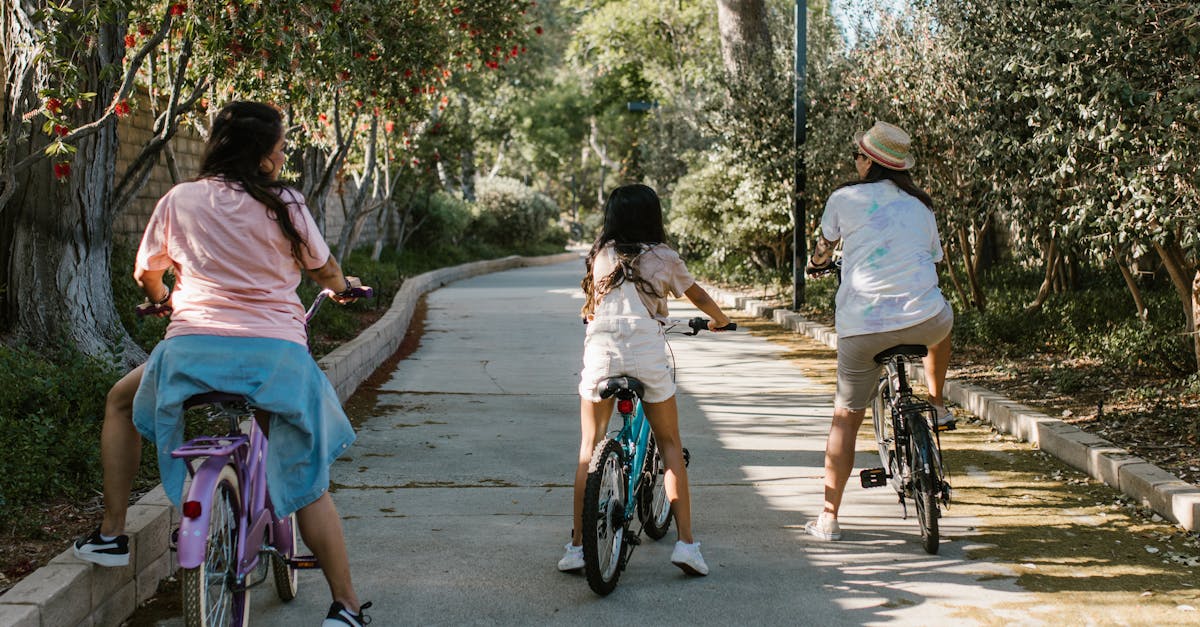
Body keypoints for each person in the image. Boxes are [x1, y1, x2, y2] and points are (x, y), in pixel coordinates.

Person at [72, 101, 371, 627]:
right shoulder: (285, 204)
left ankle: (112, 533)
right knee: (307, 480)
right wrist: (343, 289)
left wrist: (165, 296)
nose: (284, 154)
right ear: (262, 157)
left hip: (191, 354)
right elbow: (325, 270)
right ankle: (345, 607)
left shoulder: (179, 199)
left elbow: (148, 273)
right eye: (280, 146)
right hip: (274, 358)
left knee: (119, 403)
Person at [558, 183, 733, 576]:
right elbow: (699, 299)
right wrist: (720, 321)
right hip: (647, 354)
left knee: (589, 448)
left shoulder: (601, 256)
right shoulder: (664, 257)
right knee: (670, 443)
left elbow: (592, 308)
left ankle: (576, 547)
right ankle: (687, 544)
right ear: (653, 216)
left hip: (601, 351)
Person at [804, 120, 954, 542]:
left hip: (863, 328)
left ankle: (829, 517)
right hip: (924, 319)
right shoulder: (922, 205)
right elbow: (932, 257)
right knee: (944, 319)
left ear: (869, 162)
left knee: (845, 419)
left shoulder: (843, 198)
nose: (855, 161)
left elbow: (823, 248)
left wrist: (817, 265)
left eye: (858, 155)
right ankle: (938, 404)